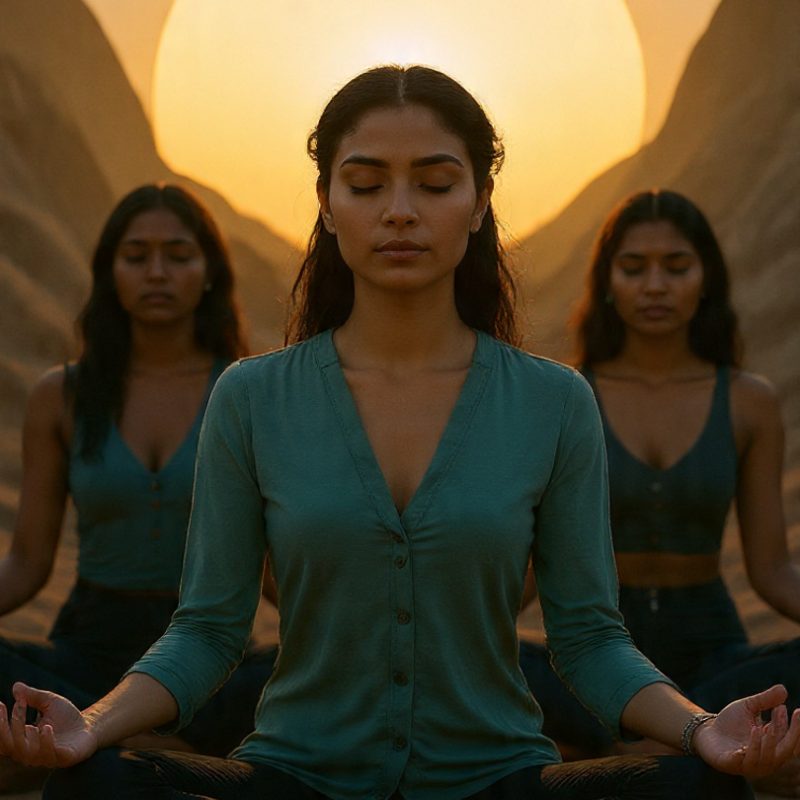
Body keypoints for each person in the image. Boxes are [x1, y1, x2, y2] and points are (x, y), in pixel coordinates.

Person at [0, 68, 797, 800]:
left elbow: (587, 638)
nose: (401, 210)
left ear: (481, 201)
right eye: (367, 182)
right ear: (326, 200)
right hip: (295, 774)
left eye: (437, 182)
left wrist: (702, 728)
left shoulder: (555, 401)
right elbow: (209, 629)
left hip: (499, 777)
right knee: (94, 783)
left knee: (702, 787)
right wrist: (93, 723)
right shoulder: (251, 396)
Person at [522, 188, 800, 794]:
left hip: (712, 657)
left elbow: (773, 571)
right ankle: (667, 743)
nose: (655, 285)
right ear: (606, 282)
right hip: (589, 662)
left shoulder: (749, 401)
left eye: (676, 268)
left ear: (706, 280)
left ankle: (669, 738)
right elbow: (526, 578)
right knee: (494, 665)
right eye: (633, 267)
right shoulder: (565, 398)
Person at [0, 184, 277, 789]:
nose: (158, 272)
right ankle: (136, 740)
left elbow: (277, 577)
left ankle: (102, 742)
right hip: (88, 654)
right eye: (137, 255)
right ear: (110, 273)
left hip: (213, 664)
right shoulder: (63, 395)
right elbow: (25, 565)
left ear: (209, 272)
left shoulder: (249, 395)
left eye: (178, 255)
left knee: (325, 673)